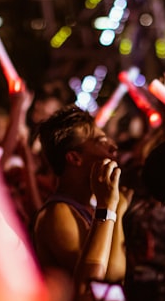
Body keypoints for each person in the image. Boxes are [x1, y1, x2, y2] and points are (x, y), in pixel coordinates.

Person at [32, 104, 127, 282]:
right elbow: (102, 282)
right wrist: (114, 208)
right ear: (75, 158)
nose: (113, 147)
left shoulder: (89, 204)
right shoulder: (58, 214)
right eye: (101, 142)